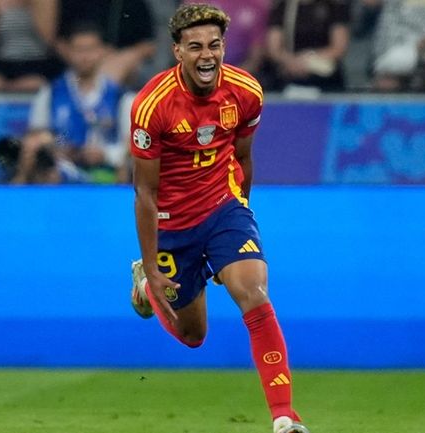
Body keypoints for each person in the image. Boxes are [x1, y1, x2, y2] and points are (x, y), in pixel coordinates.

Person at [128, 4, 309, 433]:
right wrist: (152, 267)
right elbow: (145, 193)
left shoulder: (246, 91)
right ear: (178, 52)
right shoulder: (152, 106)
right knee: (193, 336)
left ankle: (284, 417)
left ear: (223, 46)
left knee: (254, 291)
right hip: (172, 224)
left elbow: (243, 157)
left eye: (214, 45)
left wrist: (240, 216)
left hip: (224, 209)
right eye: (195, 47)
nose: (207, 55)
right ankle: (142, 286)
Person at [28, 22, 127, 184]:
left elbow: (134, 145)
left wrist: (106, 154)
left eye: (90, 49)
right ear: (68, 52)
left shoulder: (120, 96)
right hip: (62, 176)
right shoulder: (50, 94)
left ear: (103, 51)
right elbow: (38, 138)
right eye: (79, 50)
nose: (85, 56)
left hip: (108, 177)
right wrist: (58, 147)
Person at [57, 0, 156, 87]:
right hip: (75, 61)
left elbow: (149, 46)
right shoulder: (73, 3)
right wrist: (82, 55)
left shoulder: (134, 4)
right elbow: (58, 41)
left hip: (124, 64)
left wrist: (120, 57)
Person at [263, 0, 351, 93]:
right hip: (289, 76)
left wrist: (308, 60)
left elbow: (339, 48)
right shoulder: (283, 7)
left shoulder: (334, 6)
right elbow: (274, 49)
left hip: (325, 78)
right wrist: (291, 61)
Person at [0, 0, 64, 92]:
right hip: (3, 64)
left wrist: (31, 5)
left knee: (34, 83)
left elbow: (49, 39)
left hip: (36, 63)